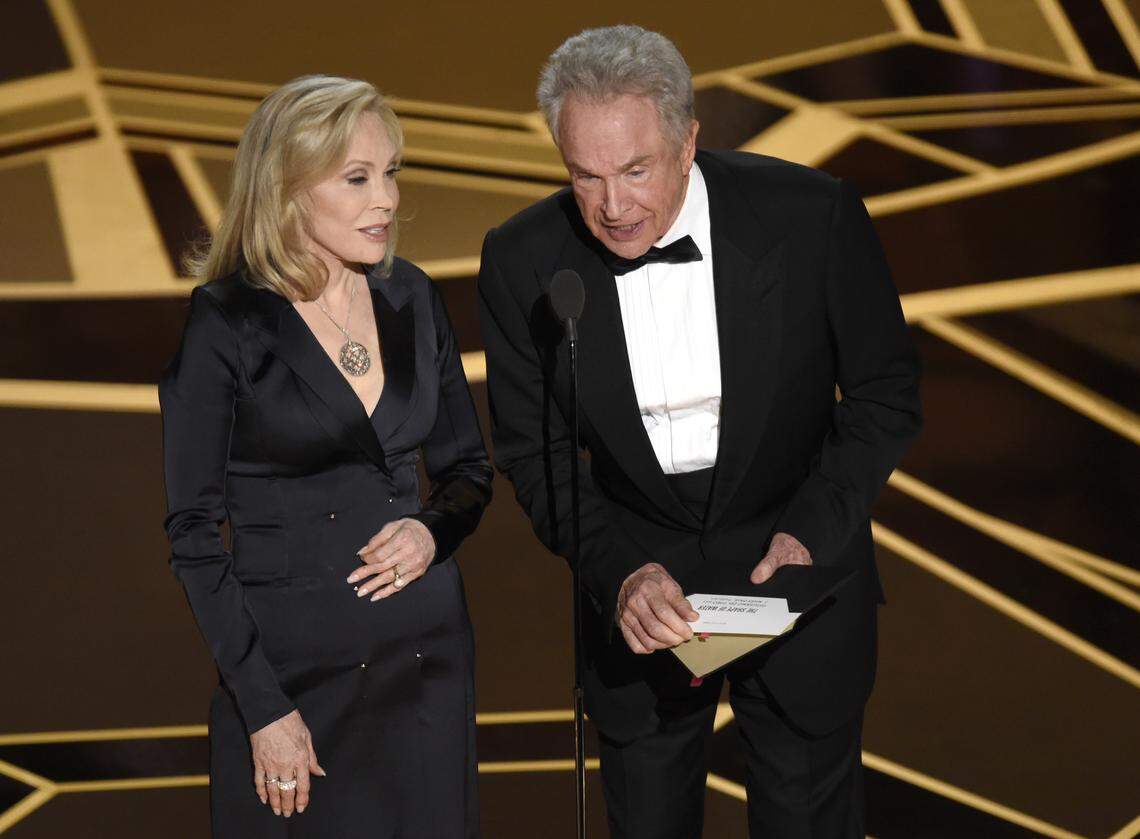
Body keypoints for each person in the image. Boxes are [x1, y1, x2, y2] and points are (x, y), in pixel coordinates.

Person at [477, 25, 921, 838]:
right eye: (585, 176)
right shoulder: (521, 259)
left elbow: (884, 395)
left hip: (799, 582)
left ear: (687, 143)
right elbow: (535, 454)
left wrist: (810, 530)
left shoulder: (811, 215)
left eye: (635, 170)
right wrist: (619, 573)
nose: (613, 207)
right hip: (642, 604)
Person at [161, 74, 491, 837]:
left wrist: (432, 531)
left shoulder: (413, 297)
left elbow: (468, 472)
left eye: (391, 172)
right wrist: (263, 706)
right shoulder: (227, 323)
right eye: (357, 178)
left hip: (426, 665)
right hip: (292, 681)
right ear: (286, 189)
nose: (388, 199)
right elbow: (193, 534)